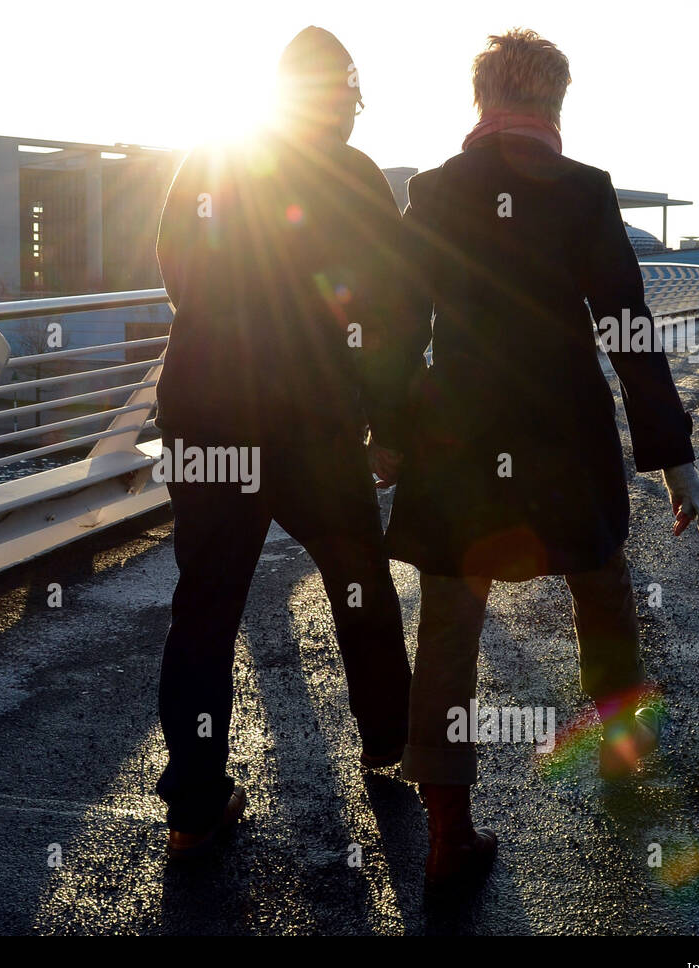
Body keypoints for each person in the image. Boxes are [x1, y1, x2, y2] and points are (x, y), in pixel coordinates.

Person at [378, 28, 699, 888]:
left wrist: (382, 432)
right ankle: (620, 762)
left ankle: (450, 833)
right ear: (555, 102)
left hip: (456, 438)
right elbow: (628, 328)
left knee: (449, 626)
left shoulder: (436, 190)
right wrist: (674, 459)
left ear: (482, 98)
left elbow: (393, 328)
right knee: (601, 591)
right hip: (566, 432)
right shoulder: (585, 191)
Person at [153, 26, 419, 859]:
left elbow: (174, 271)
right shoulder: (354, 176)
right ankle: (387, 746)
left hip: (207, 416)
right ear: (344, 95)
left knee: (205, 606)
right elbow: (393, 313)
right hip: (313, 425)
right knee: (361, 589)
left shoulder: (210, 160)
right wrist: (389, 428)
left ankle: (195, 808)